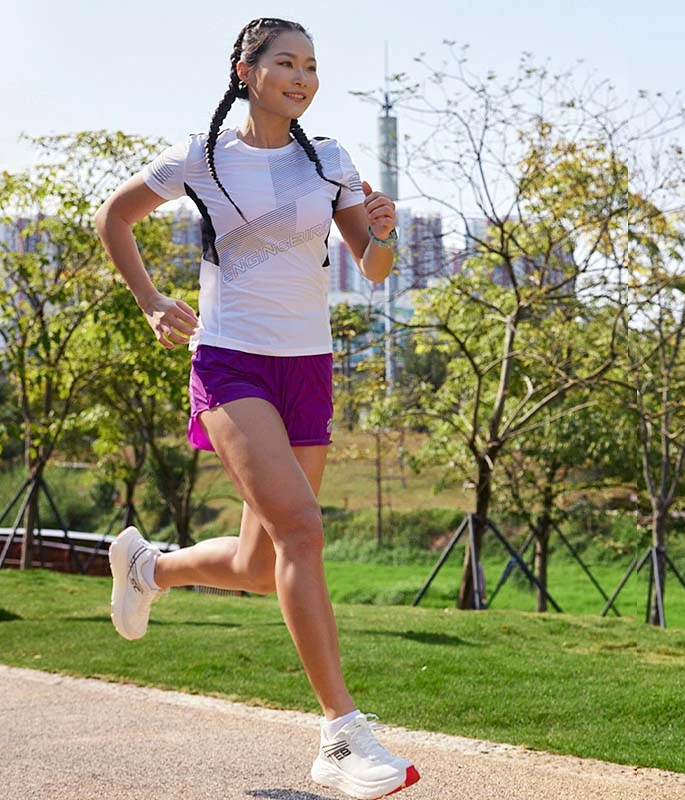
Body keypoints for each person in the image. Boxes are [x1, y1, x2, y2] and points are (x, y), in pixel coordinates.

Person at [95, 17, 419, 800]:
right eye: (286, 63)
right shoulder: (205, 158)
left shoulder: (331, 160)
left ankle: (149, 567)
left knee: (260, 561)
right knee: (304, 533)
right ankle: (340, 734)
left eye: (311, 65)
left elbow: (373, 271)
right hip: (231, 361)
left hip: (307, 367)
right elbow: (114, 216)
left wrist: (383, 235)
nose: (302, 77)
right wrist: (149, 302)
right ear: (246, 72)